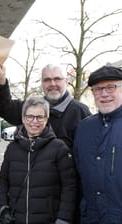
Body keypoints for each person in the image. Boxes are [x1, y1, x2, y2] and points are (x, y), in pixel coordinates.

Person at [0, 96, 77, 224]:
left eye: (40, 117)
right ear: (23, 118)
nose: (34, 121)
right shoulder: (13, 148)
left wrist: (63, 219)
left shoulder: (59, 148)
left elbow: (70, 186)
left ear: (46, 119)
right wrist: (2, 208)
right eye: (30, 116)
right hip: (16, 219)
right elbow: (3, 181)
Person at [0, 64, 91, 149]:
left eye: (57, 79)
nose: (52, 84)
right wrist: (2, 81)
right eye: (47, 80)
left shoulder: (80, 112)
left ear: (66, 81)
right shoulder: (32, 107)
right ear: (42, 83)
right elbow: (6, 109)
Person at [73, 65, 122, 224]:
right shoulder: (84, 128)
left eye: (110, 87)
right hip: (91, 217)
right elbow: (79, 172)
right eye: (98, 89)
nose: (104, 94)